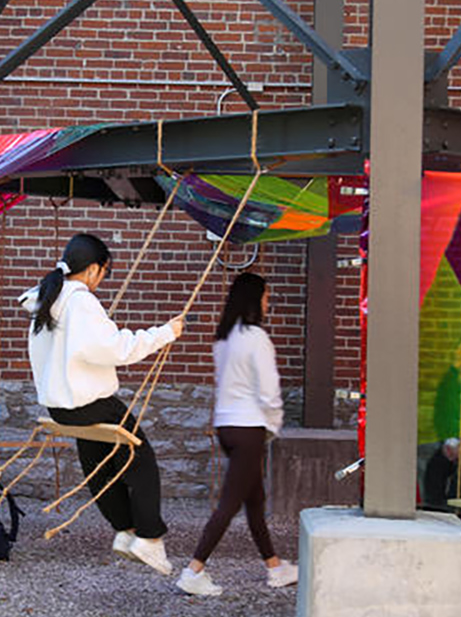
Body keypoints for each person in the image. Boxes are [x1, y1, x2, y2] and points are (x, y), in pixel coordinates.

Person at [20, 233, 183, 575]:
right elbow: (117, 349)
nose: (102, 281)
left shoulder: (48, 297)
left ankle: (126, 531)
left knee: (98, 463)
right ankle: (150, 538)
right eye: (105, 272)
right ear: (94, 269)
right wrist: (165, 332)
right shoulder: (80, 302)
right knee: (141, 460)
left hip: (60, 407)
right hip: (89, 402)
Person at [176, 272, 298, 597]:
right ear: (255, 299)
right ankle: (193, 571)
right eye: (266, 296)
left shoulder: (224, 339)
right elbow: (269, 391)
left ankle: (275, 567)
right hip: (249, 428)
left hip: (227, 426)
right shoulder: (256, 337)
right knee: (229, 504)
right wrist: (273, 423)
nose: (268, 303)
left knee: (254, 500)